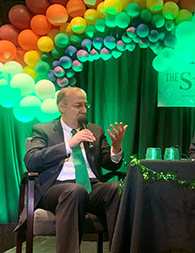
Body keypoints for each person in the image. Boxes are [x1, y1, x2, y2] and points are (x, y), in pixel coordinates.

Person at [21, 86, 127, 253]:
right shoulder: (44, 130)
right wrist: (69, 144)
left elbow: (110, 164)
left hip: (92, 187)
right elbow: (32, 161)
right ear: (62, 107)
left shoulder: (94, 130)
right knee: (74, 191)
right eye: (78, 105)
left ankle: (118, 249)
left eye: (86, 105)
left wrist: (116, 148)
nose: (83, 110)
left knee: (116, 188)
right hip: (57, 188)